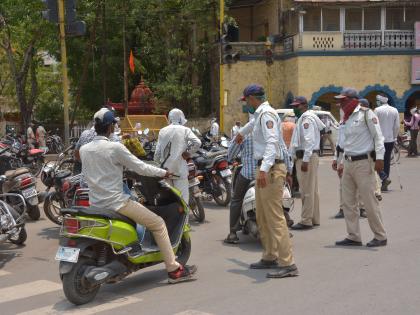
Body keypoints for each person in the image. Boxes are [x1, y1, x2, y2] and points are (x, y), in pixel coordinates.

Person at [80, 108, 197, 283]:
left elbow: (98, 172)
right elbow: (141, 167)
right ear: (111, 127)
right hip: (117, 203)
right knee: (158, 224)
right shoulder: (115, 147)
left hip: (95, 203)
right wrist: (163, 173)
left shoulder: (84, 149)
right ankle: (174, 270)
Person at [236, 84, 298, 279]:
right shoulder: (260, 115)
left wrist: (263, 169)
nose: (246, 105)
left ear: (253, 99)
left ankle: (288, 263)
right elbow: (252, 125)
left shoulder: (267, 114)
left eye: (246, 101)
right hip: (265, 168)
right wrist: (241, 133)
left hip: (270, 169)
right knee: (262, 215)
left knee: (275, 217)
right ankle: (270, 256)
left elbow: (272, 142)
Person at [334, 88, 387, 247]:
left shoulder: (366, 114)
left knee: (369, 201)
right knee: (348, 202)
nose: (341, 103)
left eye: (343, 100)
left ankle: (380, 236)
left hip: (364, 162)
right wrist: (340, 161)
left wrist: (380, 158)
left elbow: (378, 137)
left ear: (353, 100)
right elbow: (345, 143)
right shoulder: (346, 117)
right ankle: (353, 235)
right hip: (349, 163)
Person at [289, 96, 325, 230]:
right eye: (294, 106)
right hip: (308, 156)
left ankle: (306, 220)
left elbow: (309, 141)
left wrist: (305, 160)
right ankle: (314, 218)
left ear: (304, 105)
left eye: (297, 106)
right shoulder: (306, 117)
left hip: (306, 157)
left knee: (306, 190)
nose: (294, 109)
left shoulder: (306, 119)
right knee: (313, 189)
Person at [154, 108, 201, 202]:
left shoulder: (162, 131)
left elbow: (157, 153)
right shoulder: (185, 130)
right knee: (183, 200)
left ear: (169, 118)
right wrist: (188, 153)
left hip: (166, 171)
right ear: (181, 118)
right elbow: (197, 142)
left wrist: (158, 166)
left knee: (169, 200)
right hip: (180, 171)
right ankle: (185, 217)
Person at [333, 105, 367, 219]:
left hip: (350, 154)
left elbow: (350, 142)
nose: (341, 109)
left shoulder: (354, 121)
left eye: (342, 106)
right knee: (343, 184)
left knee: (358, 182)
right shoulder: (342, 121)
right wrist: (335, 158)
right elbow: (339, 140)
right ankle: (343, 208)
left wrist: (342, 161)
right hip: (341, 153)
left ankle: (362, 208)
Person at [224, 133, 257, 244]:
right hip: (266, 173)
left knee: (237, 200)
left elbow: (230, 154)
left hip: (247, 174)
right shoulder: (270, 130)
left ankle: (233, 233)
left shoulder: (245, 133)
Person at [374, 95, 399, 191]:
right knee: (387, 161)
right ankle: (385, 181)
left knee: (377, 160)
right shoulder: (395, 110)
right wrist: (395, 136)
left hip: (379, 140)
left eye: (377, 100)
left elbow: (375, 125)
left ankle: (383, 178)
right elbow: (396, 126)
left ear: (380, 101)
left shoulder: (377, 110)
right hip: (390, 139)